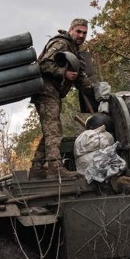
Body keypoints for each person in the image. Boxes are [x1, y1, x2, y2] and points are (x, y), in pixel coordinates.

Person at [28, 18, 95, 180]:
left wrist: (96, 92)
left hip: (53, 93)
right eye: (78, 31)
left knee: (50, 131)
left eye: (84, 33)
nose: (81, 35)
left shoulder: (74, 49)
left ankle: (37, 169)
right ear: (71, 30)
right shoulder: (61, 44)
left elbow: (80, 77)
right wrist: (63, 73)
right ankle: (55, 169)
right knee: (54, 131)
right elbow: (42, 64)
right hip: (46, 91)